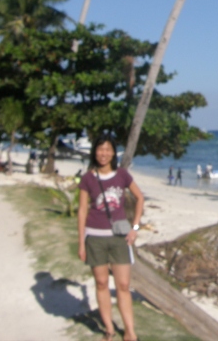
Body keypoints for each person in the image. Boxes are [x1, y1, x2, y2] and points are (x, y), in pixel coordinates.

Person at [78, 138, 145, 341]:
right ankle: (109, 328)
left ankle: (130, 331)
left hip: (119, 238)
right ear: (94, 152)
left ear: (114, 153)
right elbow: (82, 211)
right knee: (101, 283)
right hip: (94, 237)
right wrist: (81, 243)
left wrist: (135, 228)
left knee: (123, 285)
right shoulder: (87, 178)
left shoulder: (122, 175)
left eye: (108, 150)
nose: (104, 153)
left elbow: (140, 198)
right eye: (100, 149)